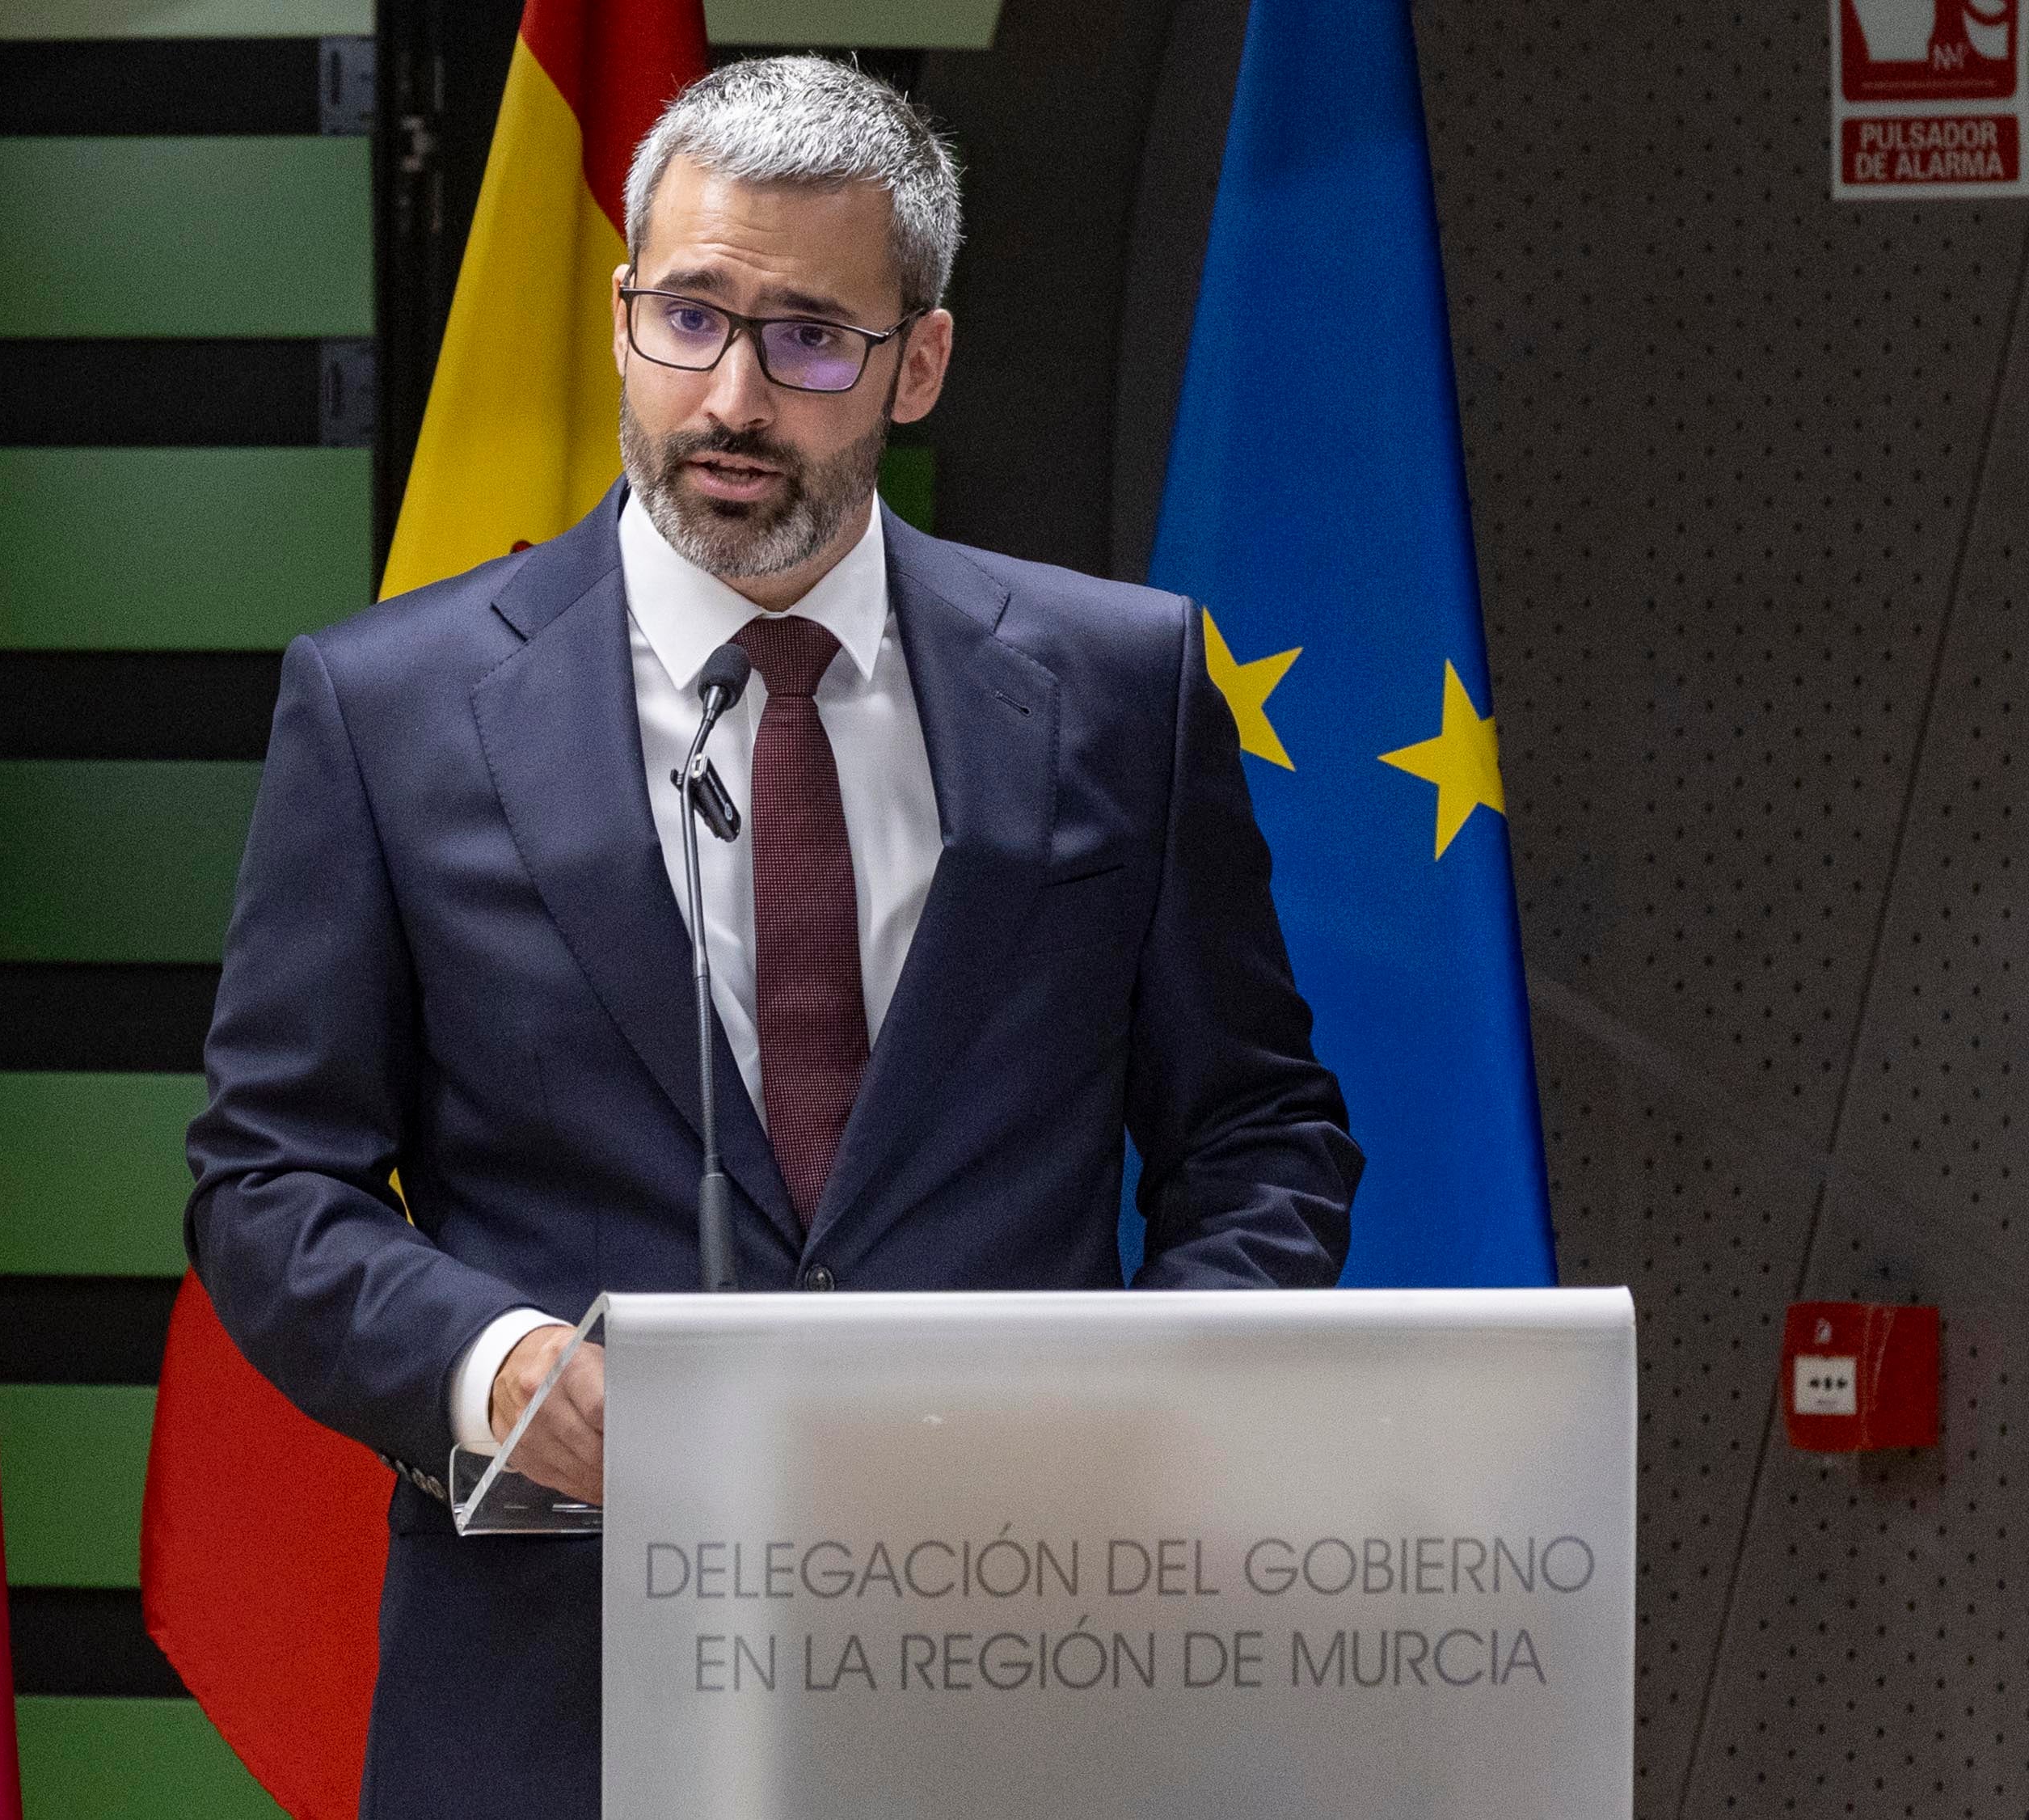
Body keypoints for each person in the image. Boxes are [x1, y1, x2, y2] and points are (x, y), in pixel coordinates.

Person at [186, 54, 1360, 1818]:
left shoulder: (1118, 689)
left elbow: (1259, 1135)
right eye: (689, 318)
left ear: (920, 360)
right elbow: (266, 1182)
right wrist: (497, 1368)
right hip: (554, 1686)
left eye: (809, 338)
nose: (731, 395)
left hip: (1021, 1668)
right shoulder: (389, 707)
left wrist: (1134, 1396)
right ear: (619, 317)